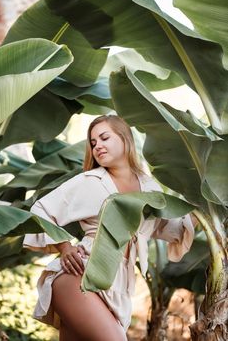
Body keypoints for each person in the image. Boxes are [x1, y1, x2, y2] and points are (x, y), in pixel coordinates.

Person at [23, 115, 194, 341]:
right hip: (80, 275)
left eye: (104, 138)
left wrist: (204, 210)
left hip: (120, 287)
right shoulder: (89, 181)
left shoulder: (148, 186)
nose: (97, 146)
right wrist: (65, 248)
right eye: (93, 143)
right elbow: (40, 211)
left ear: (125, 139)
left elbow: (169, 227)